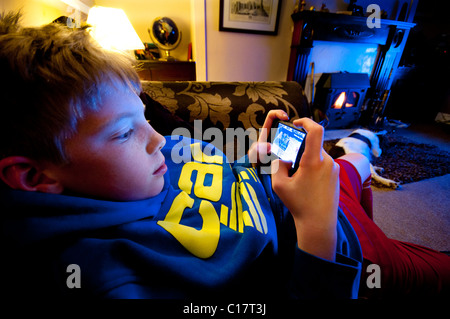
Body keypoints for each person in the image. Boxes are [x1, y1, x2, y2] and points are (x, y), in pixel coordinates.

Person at [0, 12, 448, 299]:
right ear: (36, 177)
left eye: (143, 118)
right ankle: (359, 152)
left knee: (348, 165)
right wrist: (315, 226)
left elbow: (205, 169)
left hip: (287, 188)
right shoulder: (108, 274)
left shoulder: (139, 161)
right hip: (338, 246)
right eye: (123, 134)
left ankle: (361, 146)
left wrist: (250, 161)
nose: (157, 138)